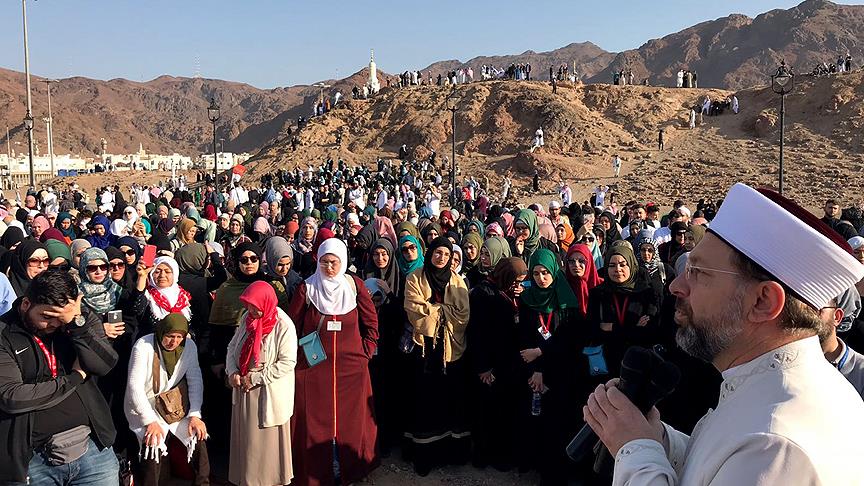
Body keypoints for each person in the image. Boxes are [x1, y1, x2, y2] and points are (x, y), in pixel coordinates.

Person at [583, 183, 864, 484]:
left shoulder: (775, 445)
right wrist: (657, 439)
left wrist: (635, 451)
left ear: (762, 301)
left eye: (698, 272)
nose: (676, 286)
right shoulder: (769, 390)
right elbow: (718, 466)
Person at [0, 270, 120, 484]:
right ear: (26, 304)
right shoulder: (4, 334)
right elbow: (11, 396)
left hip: (93, 451)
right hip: (34, 461)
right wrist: (74, 378)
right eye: (46, 317)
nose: (54, 324)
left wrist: (75, 324)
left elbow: (105, 364)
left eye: (60, 318)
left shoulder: (75, 319)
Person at [288, 238, 379, 485]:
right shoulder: (307, 289)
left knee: (351, 419)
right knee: (315, 421)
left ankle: (350, 468)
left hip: (352, 368)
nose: (329, 267)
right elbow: (291, 326)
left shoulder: (354, 286)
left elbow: (371, 322)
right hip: (314, 367)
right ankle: (318, 471)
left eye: (334, 262)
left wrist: (366, 351)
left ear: (343, 261)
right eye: (325, 262)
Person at [403, 236, 471, 476]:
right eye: (437, 253)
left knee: (449, 401)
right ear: (430, 253)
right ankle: (424, 457)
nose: (441, 258)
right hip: (425, 350)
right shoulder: (415, 278)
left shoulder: (457, 281)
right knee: (425, 402)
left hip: (450, 349)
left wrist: (434, 308)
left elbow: (462, 315)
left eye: (446, 254)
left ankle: (450, 454)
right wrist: (443, 311)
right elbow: (415, 311)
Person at [517, 248, 581, 483]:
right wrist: (535, 369)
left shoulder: (566, 300)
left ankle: (552, 471)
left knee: (557, 423)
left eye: (545, 272)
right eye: (536, 273)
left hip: (560, 370)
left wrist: (541, 355)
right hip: (532, 370)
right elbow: (524, 336)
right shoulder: (527, 300)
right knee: (534, 418)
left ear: (554, 271)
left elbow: (568, 339)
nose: (541, 278)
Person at [226, 281, 297, 486]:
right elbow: (232, 347)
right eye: (248, 305)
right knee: (247, 445)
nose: (251, 309)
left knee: (266, 448)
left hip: (267, 393)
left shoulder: (283, 324)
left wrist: (255, 378)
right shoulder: (247, 320)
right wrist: (232, 372)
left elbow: (287, 362)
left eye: (254, 305)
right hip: (244, 391)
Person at [125, 313, 209, 485]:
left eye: (179, 337)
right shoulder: (143, 346)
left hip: (171, 406)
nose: (174, 342)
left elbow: (195, 379)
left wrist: (195, 414)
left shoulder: (189, 346)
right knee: (153, 442)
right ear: (162, 332)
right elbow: (135, 388)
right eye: (170, 336)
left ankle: (203, 483)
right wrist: (149, 421)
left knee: (197, 434)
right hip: (143, 407)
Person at [468, 257, 528, 470]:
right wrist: (482, 367)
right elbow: (477, 333)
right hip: (489, 365)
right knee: (486, 413)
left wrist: (518, 297)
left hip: (507, 362)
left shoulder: (509, 291)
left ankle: (502, 455)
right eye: (515, 280)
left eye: (521, 281)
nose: (518, 285)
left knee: (504, 411)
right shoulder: (483, 293)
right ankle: (483, 456)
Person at [818, 289, 864, 397]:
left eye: (816, 310)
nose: (806, 318)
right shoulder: (781, 363)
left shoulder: (861, 373)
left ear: (837, 316)